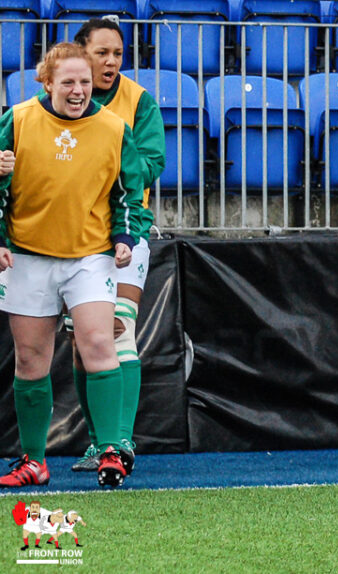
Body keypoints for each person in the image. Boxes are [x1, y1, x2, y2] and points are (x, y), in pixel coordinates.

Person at [0, 41, 144, 489]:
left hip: (89, 257)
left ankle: (111, 450)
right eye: (69, 82)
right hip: (27, 255)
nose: (79, 90)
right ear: (47, 82)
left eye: (85, 81)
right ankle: (34, 461)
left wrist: (124, 237)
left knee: (100, 341)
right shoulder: (19, 121)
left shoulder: (113, 128)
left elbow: (128, 191)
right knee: (30, 359)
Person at [68, 16, 165, 476]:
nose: (111, 62)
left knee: (118, 330)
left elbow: (149, 164)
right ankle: (95, 442)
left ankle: (120, 444)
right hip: (72, 236)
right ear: (80, 53)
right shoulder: (56, 102)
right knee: (82, 345)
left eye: (118, 54)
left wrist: (104, 163)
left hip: (127, 231)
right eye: (101, 52)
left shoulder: (138, 102)